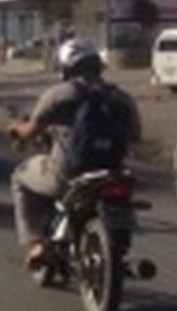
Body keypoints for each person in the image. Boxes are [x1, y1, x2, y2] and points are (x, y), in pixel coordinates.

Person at [7, 39, 142, 268]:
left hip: (67, 173)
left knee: (20, 177)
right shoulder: (122, 97)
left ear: (66, 67)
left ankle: (36, 242)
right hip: (113, 172)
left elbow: (31, 131)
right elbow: (136, 135)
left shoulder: (59, 94)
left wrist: (14, 130)